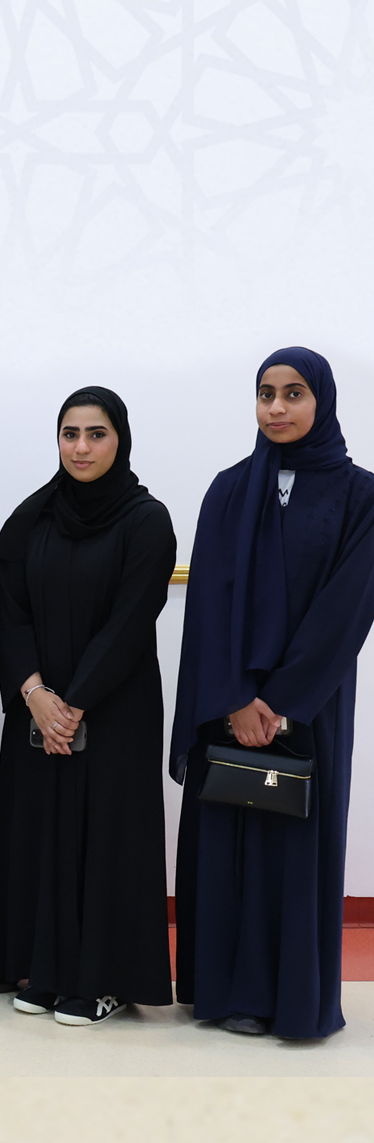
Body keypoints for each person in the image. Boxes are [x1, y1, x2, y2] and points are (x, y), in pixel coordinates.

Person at [172, 347, 374, 1040]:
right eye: (266, 394)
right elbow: (208, 606)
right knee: (228, 840)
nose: (277, 407)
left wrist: (283, 704)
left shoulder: (360, 495)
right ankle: (228, 995)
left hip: (310, 706)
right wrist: (235, 698)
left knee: (293, 844)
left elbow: (348, 608)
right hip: (228, 706)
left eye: (293, 393)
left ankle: (289, 1001)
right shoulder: (230, 489)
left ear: (322, 400)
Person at [0, 387, 175, 1026]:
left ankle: (104, 981)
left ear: (120, 439)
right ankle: (43, 970)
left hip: (114, 710)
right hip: (37, 711)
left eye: (97, 434)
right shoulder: (31, 517)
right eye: (70, 434)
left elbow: (129, 622)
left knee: (107, 838)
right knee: (40, 833)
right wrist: (36, 695)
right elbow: (11, 617)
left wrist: (73, 705)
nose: (82, 447)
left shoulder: (146, 521)